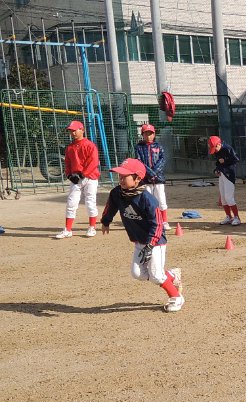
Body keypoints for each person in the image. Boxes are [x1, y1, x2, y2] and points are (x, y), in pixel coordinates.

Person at [99, 158, 184, 313]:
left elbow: (157, 224)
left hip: (155, 242)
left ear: (137, 179)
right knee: (137, 274)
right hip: (139, 241)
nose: (121, 179)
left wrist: (151, 244)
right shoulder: (117, 193)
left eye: (125, 176)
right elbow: (110, 206)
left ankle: (176, 297)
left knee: (156, 276)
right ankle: (171, 275)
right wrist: (106, 221)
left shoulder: (147, 199)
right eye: (120, 176)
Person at [55, 120, 100, 239]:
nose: (73, 133)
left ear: (82, 130)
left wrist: (82, 174)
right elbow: (68, 163)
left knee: (90, 202)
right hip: (76, 178)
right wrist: (69, 175)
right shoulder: (70, 147)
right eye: (71, 131)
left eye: (75, 130)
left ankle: (92, 227)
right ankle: (68, 229)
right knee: (71, 202)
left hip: (90, 178)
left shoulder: (90, 145)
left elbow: (94, 162)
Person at [134, 123, 171, 231]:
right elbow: (139, 162)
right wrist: (150, 173)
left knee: (161, 199)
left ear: (154, 134)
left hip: (158, 178)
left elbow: (162, 160)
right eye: (146, 134)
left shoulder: (159, 146)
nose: (148, 136)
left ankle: (164, 221)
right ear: (142, 135)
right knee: (147, 201)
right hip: (145, 178)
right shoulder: (139, 147)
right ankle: (150, 221)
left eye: (150, 133)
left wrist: (154, 173)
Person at [208, 135, 241, 226]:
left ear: (219, 144)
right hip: (222, 175)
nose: (215, 151)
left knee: (229, 197)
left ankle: (237, 217)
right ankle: (228, 216)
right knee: (223, 198)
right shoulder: (217, 151)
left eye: (215, 148)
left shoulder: (227, 148)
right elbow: (218, 163)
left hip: (229, 175)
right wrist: (217, 170)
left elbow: (236, 159)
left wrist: (225, 161)